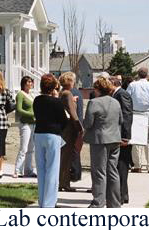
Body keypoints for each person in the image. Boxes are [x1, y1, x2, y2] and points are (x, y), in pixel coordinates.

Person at [83, 75, 123, 208]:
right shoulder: (116, 102)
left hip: (99, 140)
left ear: (98, 89)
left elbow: (88, 123)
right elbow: (121, 120)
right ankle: (114, 203)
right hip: (115, 139)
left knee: (99, 172)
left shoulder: (94, 102)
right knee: (113, 171)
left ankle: (98, 202)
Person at [33, 74, 69, 208]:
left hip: (39, 134)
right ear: (54, 87)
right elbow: (64, 120)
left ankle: (42, 201)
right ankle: (49, 203)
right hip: (53, 135)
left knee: (41, 169)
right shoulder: (57, 102)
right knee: (52, 170)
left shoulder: (37, 100)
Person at [126, 67, 149, 173]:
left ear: (138, 74)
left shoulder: (132, 85)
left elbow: (127, 98)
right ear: (147, 75)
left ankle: (137, 165)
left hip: (135, 113)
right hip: (148, 113)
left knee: (136, 140)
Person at [58, 72, 83, 192]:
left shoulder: (62, 93)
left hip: (63, 128)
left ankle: (63, 182)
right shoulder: (67, 94)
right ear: (69, 82)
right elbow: (73, 114)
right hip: (69, 129)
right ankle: (64, 183)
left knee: (64, 156)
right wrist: (80, 128)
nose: (74, 83)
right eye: (73, 80)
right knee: (66, 157)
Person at [111, 75, 133, 204]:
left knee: (122, 167)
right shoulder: (117, 94)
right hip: (118, 135)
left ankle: (121, 195)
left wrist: (125, 136)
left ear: (113, 84)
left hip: (122, 137)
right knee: (120, 166)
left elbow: (127, 115)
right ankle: (122, 195)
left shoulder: (122, 94)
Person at [14, 76, 36, 178]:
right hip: (25, 124)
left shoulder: (31, 95)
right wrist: (32, 114)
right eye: (28, 82)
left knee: (31, 149)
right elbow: (19, 109)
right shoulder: (20, 94)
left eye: (31, 82)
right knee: (24, 148)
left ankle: (28, 170)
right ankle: (17, 170)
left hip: (33, 124)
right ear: (24, 83)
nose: (30, 83)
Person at [68, 74, 85, 183]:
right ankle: (76, 173)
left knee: (73, 151)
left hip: (73, 125)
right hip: (78, 124)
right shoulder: (77, 92)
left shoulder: (71, 93)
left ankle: (74, 173)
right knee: (75, 150)